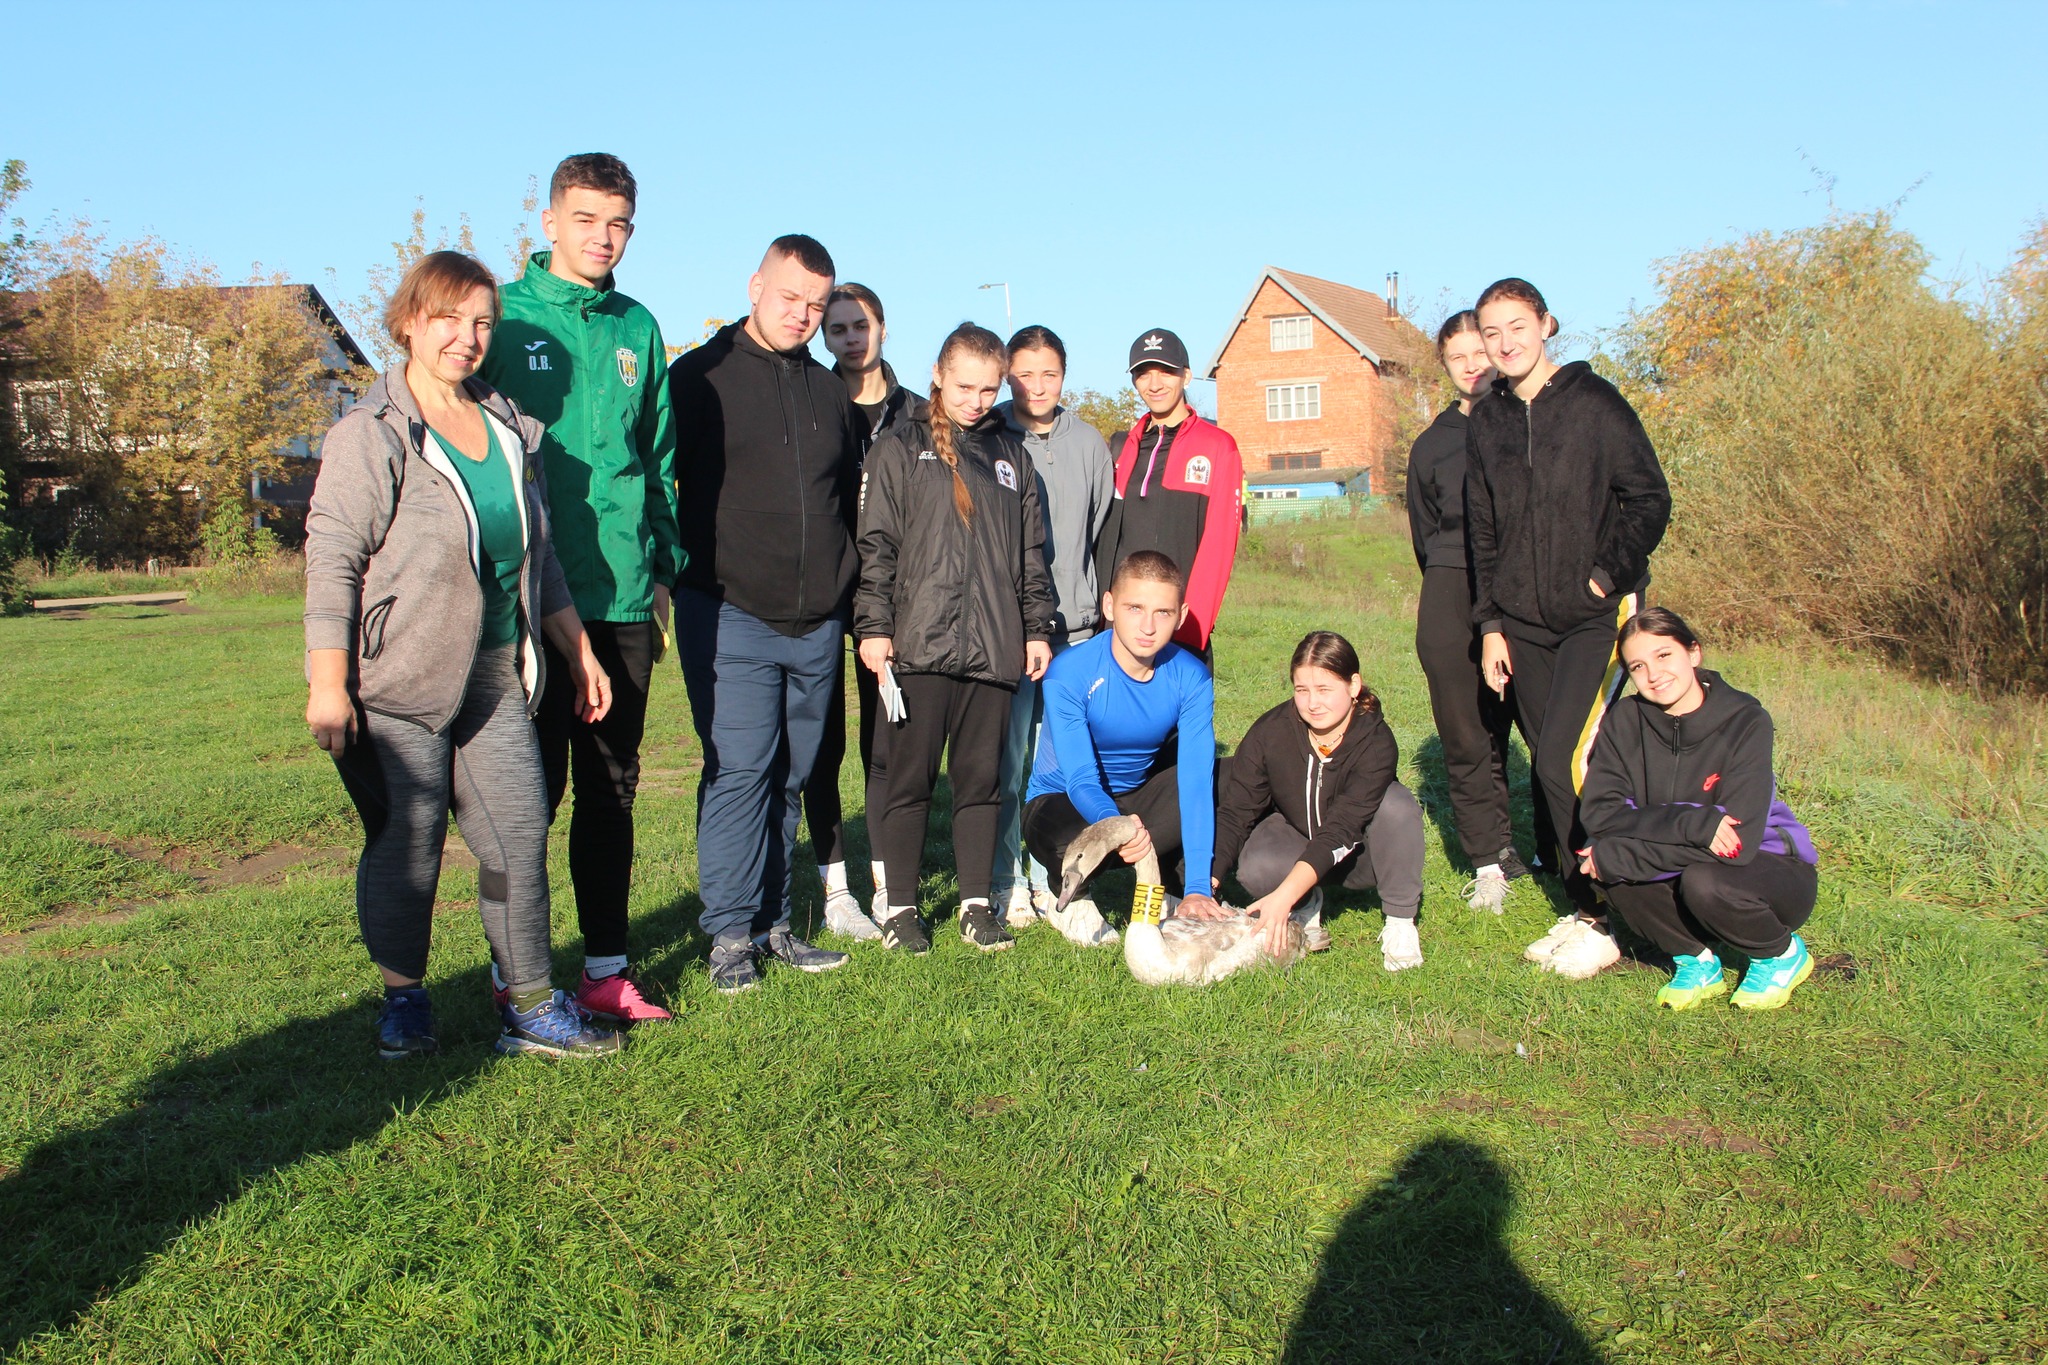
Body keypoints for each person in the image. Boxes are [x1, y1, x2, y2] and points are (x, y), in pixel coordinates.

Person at [304, 250, 621, 1058]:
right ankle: (403, 1000)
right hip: (400, 681)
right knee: (407, 843)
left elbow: (537, 555)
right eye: (449, 318)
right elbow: (333, 557)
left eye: (482, 321)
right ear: (411, 319)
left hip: (495, 677)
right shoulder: (369, 434)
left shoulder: (511, 427)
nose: (467, 336)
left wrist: (578, 651)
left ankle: (532, 1006)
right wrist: (329, 684)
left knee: (518, 835)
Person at [480, 152, 679, 1025]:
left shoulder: (638, 326)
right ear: (549, 220)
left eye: (620, 223)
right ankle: (516, 975)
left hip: (623, 600)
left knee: (611, 790)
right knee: (530, 798)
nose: (605, 238)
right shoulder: (501, 315)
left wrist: (663, 570)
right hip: (528, 603)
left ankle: (604, 968)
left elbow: (660, 461)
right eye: (589, 219)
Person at [1465, 277, 1672, 981]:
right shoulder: (1486, 419)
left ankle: (1611, 913)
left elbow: (1649, 498)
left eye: (1517, 326)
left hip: (1593, 619)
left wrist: (1602, 576)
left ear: (1546, 324)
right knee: (1558, 766)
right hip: (1521, 622)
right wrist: (1491, 624)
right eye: (1491, 332)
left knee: (1565, 762)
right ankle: (1586, 903)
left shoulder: (1595, 404)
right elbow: (1482, 532)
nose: (1505, 342)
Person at [667, 235, 857, 993]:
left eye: (816, 304)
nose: (803, 316)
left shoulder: (828, 392)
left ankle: (776, 924)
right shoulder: (698, 378)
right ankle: (729, 936)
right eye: (790, 298)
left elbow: (843, 498)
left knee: (791, 773)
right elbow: (656, 479)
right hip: (729, 611)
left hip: (815, 620)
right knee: (741, 771)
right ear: (754, 286)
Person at [855, 323, 1056, 953]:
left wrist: (1036, 628)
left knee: (980, 782)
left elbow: (1031, 555)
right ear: (938, 375)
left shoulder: (1011, 455)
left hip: (993, 650)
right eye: (964, 385)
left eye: (988, 388)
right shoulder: (898, 446)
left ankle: (976, 906)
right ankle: (902, 909)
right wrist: (874, 626)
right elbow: (877, 547)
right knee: (909, 780)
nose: (975, 399)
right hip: (917, 646)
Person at [1580, 608, 1821, 1010]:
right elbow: (1601, 814)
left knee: (1695, 880)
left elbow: (1739, 845)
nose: (1653, 674)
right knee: (1612, 868)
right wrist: (1692, 822)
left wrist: (1621, 852)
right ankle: (1695, 958)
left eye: (1663, 656)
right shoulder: (1625, 720)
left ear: (1693, 653)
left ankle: (1779, 953)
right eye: (1637, 666)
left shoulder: (1746, 720)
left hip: (1768, 872)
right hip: (1690, 855)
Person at [804, 282, 925, 939]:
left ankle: (886, 881)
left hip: (898, 599)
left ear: (881, 327)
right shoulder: (815, 400)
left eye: (861, 325)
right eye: (838, 328)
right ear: (825, 337)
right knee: (823, 743)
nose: (851, 338)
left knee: (888, 740)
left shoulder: (917, 414)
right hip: (826, 592)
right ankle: (836, 888)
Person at [1023, 550, 1225, 934]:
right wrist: (1119, 827)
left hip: (1135, 798)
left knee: (1224, 779)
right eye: (1135, 608)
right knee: (1066, 838)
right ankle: (1067, 895)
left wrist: (1199, 885)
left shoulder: (1191, 676)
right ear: (1110, 605)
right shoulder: (1070, 672)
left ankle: (1183, 889)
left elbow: (1196, 781)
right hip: (1064, 800)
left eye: (1162, 613)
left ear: (1180, 616)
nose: (1147, 626)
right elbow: (1081, 778)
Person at [1406, 311, 1533, 914]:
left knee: (1530, 724)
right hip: (1451, 589)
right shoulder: (1431, 444)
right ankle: (1489, 859)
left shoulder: (1529, 421)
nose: (1472, 365)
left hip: (1526, 585)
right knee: (1467, 733)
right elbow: (1424, 536)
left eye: (1479, 351)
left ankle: (1566, 852)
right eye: (1457, 358)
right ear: (1446, 366)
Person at [989, 325, 1116, 929]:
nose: (1036, 386)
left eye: (1050, 374)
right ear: (1007, 373)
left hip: (1077, 633)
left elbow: (1098, 530)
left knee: (1062, 759)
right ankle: (1007, 877)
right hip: (1009, 631)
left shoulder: (1090, 443)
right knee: (1009, 757)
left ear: (1064, 376)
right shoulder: (987, 436)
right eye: (1024, 373)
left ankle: (1054, 873)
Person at [1213, 631, 1428, 973]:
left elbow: (1342, 829)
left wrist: (1280, 899)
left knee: (1397, 804)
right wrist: (1208, 880)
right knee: (1254, 867)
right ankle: (1306, 899)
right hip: (1298, 836)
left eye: (1325, 689)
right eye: (1302, 690)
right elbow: (1238, 809)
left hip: (1360, 853)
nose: (1313, 703)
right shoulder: (1271, 731)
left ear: (1353, 685)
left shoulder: (1376, 741)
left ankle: (1401, 921)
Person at [1092, 329, 1244, 654]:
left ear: (1186, 375)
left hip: (1177, 629)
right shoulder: (1121, 447)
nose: (1155, 383)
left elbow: (1219, 546)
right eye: (1144, 374)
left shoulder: (1218, 446)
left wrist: (1191, 630)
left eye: (1166, 372)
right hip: (1118, 627)